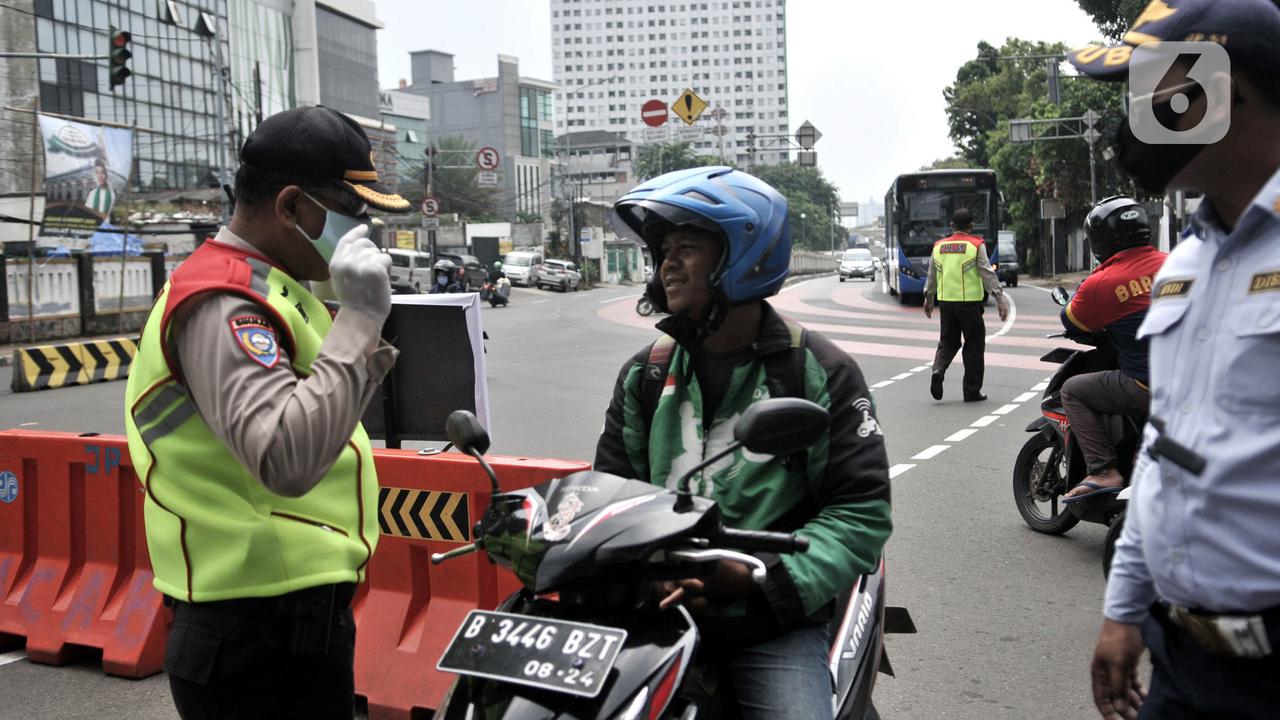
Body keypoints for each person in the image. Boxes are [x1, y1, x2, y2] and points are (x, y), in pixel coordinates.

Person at [123, 105, 411, 720]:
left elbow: (324, 422)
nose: (362, 229)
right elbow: (284, 458)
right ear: (290, 207)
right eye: (349, 212)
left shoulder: (279, 288)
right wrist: (360, 318)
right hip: (254, 632)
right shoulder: (226, 302)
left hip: (288, 620)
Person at [597, 166, 892, 720]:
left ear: (745, 256)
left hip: (769, 621)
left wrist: (761, 580)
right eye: (664, 248)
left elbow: (861, 512)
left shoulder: (817, 371)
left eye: (688, 246)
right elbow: (612, 491)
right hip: (659, 609)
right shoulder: (648, 374)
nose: (668, 262)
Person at [1069, 1, 1280, 717]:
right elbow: (1165, 449)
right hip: (1183, 662)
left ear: (1226, 92)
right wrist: (1124, 610)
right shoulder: (1189, 259)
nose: (1136, 117)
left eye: (1152, 91)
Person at [1059, 198, 1167, 503]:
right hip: (1197, 381)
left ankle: (1103, 470)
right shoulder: (1179, 263)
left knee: (1072, 390)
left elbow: (1072, 320)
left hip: (1146, 385)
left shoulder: (1101, 284)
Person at [922, 208, 1009, 402]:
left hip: (945, 303)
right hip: (969, 305)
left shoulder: (939, 246)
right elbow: (987, 272)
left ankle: (938, 369)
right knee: (974, 346)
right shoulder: (975, 245)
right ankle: (971, 391)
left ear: (951, 226)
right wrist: (999, 299)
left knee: (947, 342)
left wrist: (928, 299)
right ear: (971, 226)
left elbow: (932, 276)